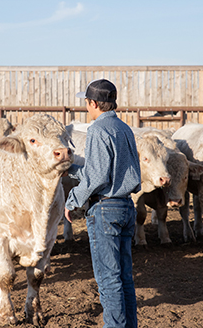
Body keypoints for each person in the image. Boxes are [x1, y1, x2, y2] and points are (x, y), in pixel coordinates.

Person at [65, 79, 141, 328]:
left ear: (93, 103)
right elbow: (110, 171)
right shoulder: (125, 129)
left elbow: (97, 177)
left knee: (109, 279)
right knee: (124, 277)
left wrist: (73, 200)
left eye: (87, 103)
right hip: (126, 206)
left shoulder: (97, 130)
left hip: (105, 209)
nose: (87, 107)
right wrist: (72, 169)